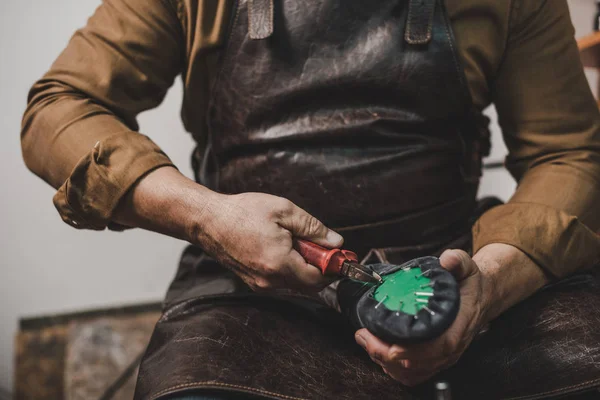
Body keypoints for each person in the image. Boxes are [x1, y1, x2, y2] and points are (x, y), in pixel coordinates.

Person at [21, 0, 600, 398]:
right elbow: (58, 108)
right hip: (243, 285)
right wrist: (205, 216)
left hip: (453, 270)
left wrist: (491, 285)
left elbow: (570, 153)